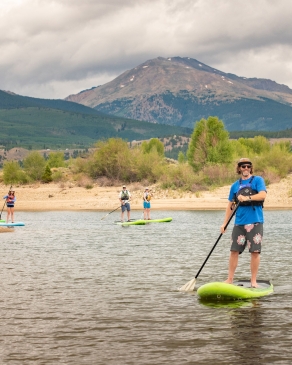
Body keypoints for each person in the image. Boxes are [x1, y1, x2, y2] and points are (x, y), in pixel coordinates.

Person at [220, 158, 267, 288]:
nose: (245, 168)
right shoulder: (235, 186)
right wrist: (224, 224)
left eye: (248, 166)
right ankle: (229, 279)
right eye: (243, 166)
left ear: (251, 168)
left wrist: (247, 198)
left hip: (255, 222)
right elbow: (230, 205)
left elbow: (263, 195)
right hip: (239, 223)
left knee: (255, 251)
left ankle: (253, 281)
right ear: (239, 168)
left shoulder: (258, 180)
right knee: (234, 251)